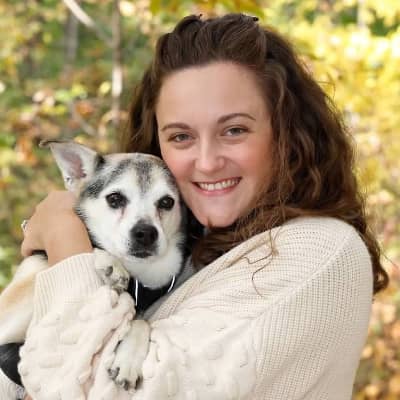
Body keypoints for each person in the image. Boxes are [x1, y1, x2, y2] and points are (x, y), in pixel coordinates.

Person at [11, 13, 389, 400]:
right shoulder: (183, 255)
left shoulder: (319, 251)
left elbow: (105, 392)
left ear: (287, 134)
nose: (207, 162)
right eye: (181, 136)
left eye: (234, 130)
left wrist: (64, 237)